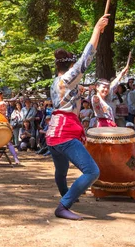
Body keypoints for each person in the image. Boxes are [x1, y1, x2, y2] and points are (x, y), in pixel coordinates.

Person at [45, 13, 109, 220]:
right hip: (65, 131)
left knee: (61, 170)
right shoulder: (68, 78)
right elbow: (86, 59)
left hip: (54, 132)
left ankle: (67, 194)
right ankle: (64, 205)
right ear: (70, 67)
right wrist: (96, 30)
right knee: (92, 171)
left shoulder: (55, 82)